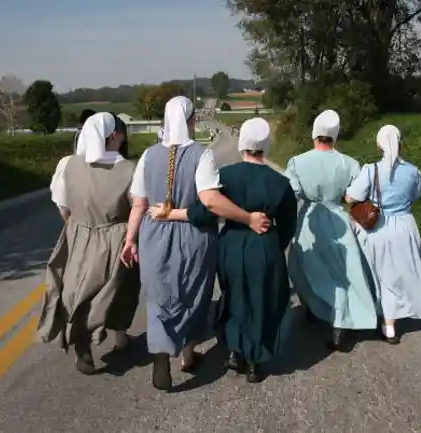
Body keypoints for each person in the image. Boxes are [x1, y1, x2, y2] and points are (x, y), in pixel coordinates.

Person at [121, 96, 270, 391]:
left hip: (153, 233)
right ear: (190, 121)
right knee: (192, 294)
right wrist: (247, 218)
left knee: (158, 296)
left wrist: (130, 239)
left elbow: (138, 204)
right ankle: (188, 356)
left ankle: (161, 352)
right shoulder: (202, 155)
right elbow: (211, 202)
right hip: (193, 234)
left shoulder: (148, 156)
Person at [149, 117, 297, 383]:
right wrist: (276, 245)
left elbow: (206, 211)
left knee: (234, 296)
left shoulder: (225, 176)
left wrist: (170, 213)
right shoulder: (280, 183)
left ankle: (234, 351)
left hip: (231, 242)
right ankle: (254, 361)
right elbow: (288, 224)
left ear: (241, 144)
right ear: (266, 145)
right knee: (261, 300)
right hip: (264, 244)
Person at [37, 112, 140, 375]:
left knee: (75, 288)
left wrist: (77, 224)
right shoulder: (129, 169)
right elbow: (136, 206)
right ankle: (119, 337)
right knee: (119, 288)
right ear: (113, 136)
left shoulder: (68, 164)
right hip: (117, 234)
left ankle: (83, 341)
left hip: (79, 232)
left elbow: (62, 203)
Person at [285, 110, 377, 350]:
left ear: (314, 133)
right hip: (338, 218)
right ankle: (341, 319)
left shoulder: (297, 162)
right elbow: (354, 197)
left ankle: (320, 310)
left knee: (303, 266)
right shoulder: (349, 163)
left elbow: (290, 194)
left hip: (309, 219)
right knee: (342, 272)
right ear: (335, 136)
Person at [344, 125, 421, 344]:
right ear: (400, 143)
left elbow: (350, 197)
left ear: (378, 144)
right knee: (400, 272)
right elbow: (415, 195)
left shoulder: (370, 169)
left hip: (378, 227)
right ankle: (394, 319)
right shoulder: (413, 171)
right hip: (404, 225)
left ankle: (387, 323)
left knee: (380, 274)